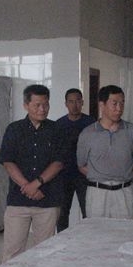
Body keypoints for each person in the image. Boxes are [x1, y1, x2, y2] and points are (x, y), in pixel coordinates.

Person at [0, 84, 65, 262]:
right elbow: (8, 162)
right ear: (26, 105)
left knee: (44, 253)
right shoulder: (14, 129)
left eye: (46, 104)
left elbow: (58, 163)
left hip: (48, 199)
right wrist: (27, 187)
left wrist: (36, 184)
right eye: (37, 105)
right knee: (13, 252)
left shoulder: (57, 129)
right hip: (18, 200)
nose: (42, 109)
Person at [77, 85, 133, 220]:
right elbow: (81, 165)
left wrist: (121, 176)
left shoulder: (132, 131)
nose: (119, 108)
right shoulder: (88, 133)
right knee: (97, 230)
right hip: (97, 193)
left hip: (124, 192)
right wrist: (101, 175)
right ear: (102, 105)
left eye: (122, 103)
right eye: (114, 103)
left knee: (125, 231)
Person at [56, 88, 95, 231]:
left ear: (82, 102)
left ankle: (88, 239)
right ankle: (62, 241)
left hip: (85, 175)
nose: (74, 105)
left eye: (78, 101)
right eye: (71, 101)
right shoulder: (58, 125)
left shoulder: (91, 123)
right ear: (66, 103)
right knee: (62, 213)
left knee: (88, 212)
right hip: (63, 175)